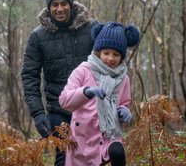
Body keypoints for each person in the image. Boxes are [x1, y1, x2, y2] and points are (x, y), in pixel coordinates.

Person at [21, 0, 97, 166]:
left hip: (90, 106)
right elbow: (29, 75)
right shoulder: (38, 37)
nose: (60, 8)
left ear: (71, 5)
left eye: (64, 3)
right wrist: (38, 113)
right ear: (49, 8)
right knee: (64, 158)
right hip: (58, 108)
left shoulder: (92, 28)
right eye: (55, 4)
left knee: (93, 158)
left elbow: (108, 62)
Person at [59, 22, 140, 166]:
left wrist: (124, 110)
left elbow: (124, 102)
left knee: (117, 152)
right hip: (83, 135)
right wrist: (86, 92)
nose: (110, 58)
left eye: (116, 54)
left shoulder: (123, 78)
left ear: (121, 57)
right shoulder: (83, 70)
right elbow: (64, 100)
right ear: (98, 52)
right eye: (106, 53)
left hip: (109, 134)